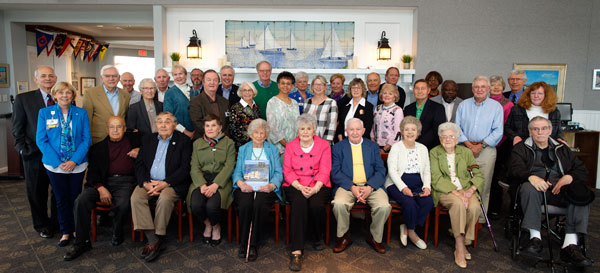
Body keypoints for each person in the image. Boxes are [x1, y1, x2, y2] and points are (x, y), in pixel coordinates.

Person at [510, 116, 593, 267]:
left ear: (550, 130)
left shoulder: (562, 149)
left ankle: (570, 245)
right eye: (535, 129)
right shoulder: (521, 148)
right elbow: (514, 169)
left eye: (543, 128)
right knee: (529, 188)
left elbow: (582, 171)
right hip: (534, 193)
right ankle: (535, 239)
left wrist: (569, 177)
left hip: (558, 190)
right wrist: (531, 177)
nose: (540, 132)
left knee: (581, 194)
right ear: (530, 131)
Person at [64, 116, 140, 261]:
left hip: (126, 182)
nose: (115, 130)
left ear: (125, 128)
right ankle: (81, 242)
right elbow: (92, 174)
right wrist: (100, 187)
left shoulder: (134, 140)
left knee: (123, 203)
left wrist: (140, 149)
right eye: (112, 127)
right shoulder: (98, 148)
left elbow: (152, 144)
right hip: (102, 182)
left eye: (119, 127)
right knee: (81, 200)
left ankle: (117, 232)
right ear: (107, 129)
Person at [130, 111, 192, 262]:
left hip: (171, 183)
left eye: (167, 121)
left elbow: (185, 168)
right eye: (160, 122)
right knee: (136, 198)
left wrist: (165, 183)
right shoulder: (148, 139)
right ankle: (154, 239)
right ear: (155, 124)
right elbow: (139, 165)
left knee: (165, 198)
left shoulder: (183, 141)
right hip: (149, 182)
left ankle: (158, 235)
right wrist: (145, 183)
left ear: (175, 125)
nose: (163, 125)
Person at [36, 82, 91, 247]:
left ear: (73, 96)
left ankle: (76, 229)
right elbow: (41, 140)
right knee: (60, 199)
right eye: (61, 93)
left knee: (75, 198)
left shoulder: (81, 113)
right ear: (55, 95)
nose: (65, 96)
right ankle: (65, 231)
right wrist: (59, 162)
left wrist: (74, 160)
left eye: (68, 93)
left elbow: (86, 139)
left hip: (77, 164)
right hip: (55, 166)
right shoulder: (45, 113)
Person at [12, 65, 59, 239]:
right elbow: (17, 128)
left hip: (58, 155)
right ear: (36, 79)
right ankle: (42, 225)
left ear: (55, 79)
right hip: (34, 154)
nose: (48, 79)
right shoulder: (23, 99)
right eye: (43, 76)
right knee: (36, 191)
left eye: (50, 76)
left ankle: (57, 222)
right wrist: (23, 149)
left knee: (57, 190)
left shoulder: (62, 96)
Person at [331, 118, 391, 254]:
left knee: (384, 206)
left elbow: (381, 171)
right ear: (346, 131)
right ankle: (344, 237)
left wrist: (370, 187)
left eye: (358, 129)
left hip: (371, 185)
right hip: (347, 186)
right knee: (339, 204)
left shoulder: (373, 147)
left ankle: (375, 237)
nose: (355, 132)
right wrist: (352, 187)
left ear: (364, 131)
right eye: (351, 129)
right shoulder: (338, 147)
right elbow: (335, 172)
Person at [430, 122, 484, 268]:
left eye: (451, 136)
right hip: (445, 190)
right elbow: (436, 178)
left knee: (474, 207)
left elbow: (478, 175)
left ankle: (466, 240)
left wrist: (470, 191)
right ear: (440, 138)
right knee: (458, 204)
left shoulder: (465, 152)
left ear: (457, 138)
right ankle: (459, 246)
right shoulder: (435, 152)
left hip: (465, 189)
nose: (447, 139)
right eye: (444, 136)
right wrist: (457, 193)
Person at [282, 114, 332, 271]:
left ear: (314, 130)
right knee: (299, 204)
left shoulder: (324, 145)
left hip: (318, 184)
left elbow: (325, 169)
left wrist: (316, 188)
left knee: (316, 205)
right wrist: (299, 187)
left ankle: (317, 237)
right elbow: (287, 170)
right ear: (297, 131)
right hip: (295, 184)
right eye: (302, 128)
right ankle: (296, 250)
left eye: (308, 128)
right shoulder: (290, 146)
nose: (305, 132)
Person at [232, 119, 283, 261]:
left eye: (262, 133)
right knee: (245, 204)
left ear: (266, 135)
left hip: (265, 187)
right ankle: (244, 243)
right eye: (256, 132)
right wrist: (241, 183)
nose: (259, 136)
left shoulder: (272, 150)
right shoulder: (244, 149)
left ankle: (253, 244)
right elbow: (236, 172)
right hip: (247, 186)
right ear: (250, 134)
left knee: (259, 204)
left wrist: (271, 186)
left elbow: (279, 172)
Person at [455, 76, 503, 222]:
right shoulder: (463, 105)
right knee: (463, 183)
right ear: (472, 89)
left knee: (483, 185)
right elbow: (457, 128)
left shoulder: (496, 107)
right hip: (464, 148)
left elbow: (498, 131)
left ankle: (479, 220)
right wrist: (469, 145)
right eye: (476, 87)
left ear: (488, 89)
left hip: (486, 150)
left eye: (483, 87)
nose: (479, 90)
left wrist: (480, 146)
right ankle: (462, 218)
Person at [186, 114, 235, 247]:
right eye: (207, 126)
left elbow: (229, 166)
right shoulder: (197, 143)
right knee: (195, 205)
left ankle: (216, 226)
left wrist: (215, 185)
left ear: (220, 127)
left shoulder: (229, 143)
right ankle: (208, 224)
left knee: (212, 206)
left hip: (220, 180)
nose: (210, 128)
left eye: (213, 125)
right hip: (201, 179)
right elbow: (194, 166)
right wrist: (201, 185)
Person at [385, 116, 433, 250]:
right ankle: (412, 233)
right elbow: (392, 171)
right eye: (406, 129)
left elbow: (427, 170)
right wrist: (403, 188)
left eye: (413, 129)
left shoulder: (423, 148)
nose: (410, 132)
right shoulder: (396, 147)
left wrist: (427, 187)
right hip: (396, 183)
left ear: (418, 133)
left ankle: (406, 226)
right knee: (409, 203)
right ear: (402, 132)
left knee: (428, 202)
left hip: (418, 183)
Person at [505, 81, 565, 146]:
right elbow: (507, 128)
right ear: (528, 95)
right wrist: (515, 137)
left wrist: (560, 138)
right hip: (522, 146)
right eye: (533, 93)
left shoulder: (554, 111)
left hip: (547, 147)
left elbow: (558, 130)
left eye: (540, 93)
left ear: (546, 95)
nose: (536, 96)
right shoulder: (517, 109)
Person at [487, 75, 514, 218]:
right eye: (492, 85)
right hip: (484, 145)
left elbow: (505, 127)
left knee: (495, 177)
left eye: (498, 85)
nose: (496, 87)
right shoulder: (483, 102)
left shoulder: (508, 104)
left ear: (503, 87)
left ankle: (495, 208)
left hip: (500, 145)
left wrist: (494, 142)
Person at [83, 65, 130, 144]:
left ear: (118, 78)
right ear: (101, 78)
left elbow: (125, 117)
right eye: (107, 76)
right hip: (98, 140)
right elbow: (86, 120)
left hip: (119, 140)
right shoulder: (90, 93)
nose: (111, 79)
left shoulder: (125, 95)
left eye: (114, 76)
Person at [404, 79, 446, 150]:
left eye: (423, 88)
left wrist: (419, 145)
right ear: (413, 90)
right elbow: (405, 129)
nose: (419, 91)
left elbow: (437, 131)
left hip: (430, 149)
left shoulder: (438, 108)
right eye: (417, 88)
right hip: (410, 148)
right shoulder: (408, 108)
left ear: (428, 90)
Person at [189, 69, 229, 139]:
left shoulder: (225, 101)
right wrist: (216, 136)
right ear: (203, 82)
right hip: (203, 142)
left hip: (224, 140)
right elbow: (198, 124)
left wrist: (223, 136)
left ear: (218, 83)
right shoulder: (195, 102)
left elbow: (228, 122)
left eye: (215, 80)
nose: (212, 83)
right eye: (209, 80)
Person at [266, 71, 299, 154]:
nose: (285, 86)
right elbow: (271, 126)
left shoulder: (294, 103)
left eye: (288, 84)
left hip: (294, 147)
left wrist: (294, 145)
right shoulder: (272, 102)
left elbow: (298, 124)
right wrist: (285, 144)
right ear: (278, 85)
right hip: (278, 148)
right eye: (283, 83)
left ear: (292, 86)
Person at [163, 64, 195, 139]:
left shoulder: (194, 91)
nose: (178, 77)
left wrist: (195, 131)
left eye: (180, 73)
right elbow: (169, 116)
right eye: (175, 74)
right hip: (178, 133)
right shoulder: (170, 93)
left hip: (195, 134)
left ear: (186, 75)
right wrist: (185, 131)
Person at [303, 75, 338, 143]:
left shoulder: (331, 102)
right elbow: (303, 124)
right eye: (316, 84)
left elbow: (331, 126)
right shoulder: (306, 102)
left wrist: (325, 144)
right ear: (312, 86)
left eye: (321, 84)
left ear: (325, 87)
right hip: (307, 142)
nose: (318, 87)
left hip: (324, 143)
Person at [371, 83, 404, 152]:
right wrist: (373, 144)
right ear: (381, 95)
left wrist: (384, 149)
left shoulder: (398, 110)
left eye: (390, 94)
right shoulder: (377, 108)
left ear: (394, 96)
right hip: (376, 146)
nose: (387, 96)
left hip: (391, 148)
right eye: (384, 93)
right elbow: (373, 128)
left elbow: (398, 133)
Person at [228, 82, 261, 149]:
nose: (247, 93)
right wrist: (252, 139)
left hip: (257, 144)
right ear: (241, 93)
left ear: (253, 92)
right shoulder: (235, 108)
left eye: (250, 90)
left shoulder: (256, 106)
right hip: (242, 146)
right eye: (244, 90)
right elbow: (233, 130)